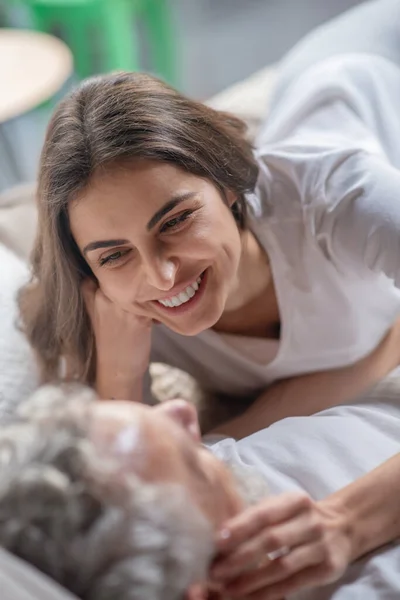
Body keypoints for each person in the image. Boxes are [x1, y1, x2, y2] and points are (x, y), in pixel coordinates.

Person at [15, 0, 400, 589]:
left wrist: (346, 522)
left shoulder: (337, 197)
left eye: (175, 221)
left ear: (224, 184)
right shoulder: (112, 316)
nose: (162, 277)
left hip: (374, 69)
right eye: (114, 254)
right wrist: (120, 376)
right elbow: (144, 487)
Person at [1, 381, 400, 600]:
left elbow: (339, 373)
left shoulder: (199, 487)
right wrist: (349, 522)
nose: (181, 409)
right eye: (195, 461)